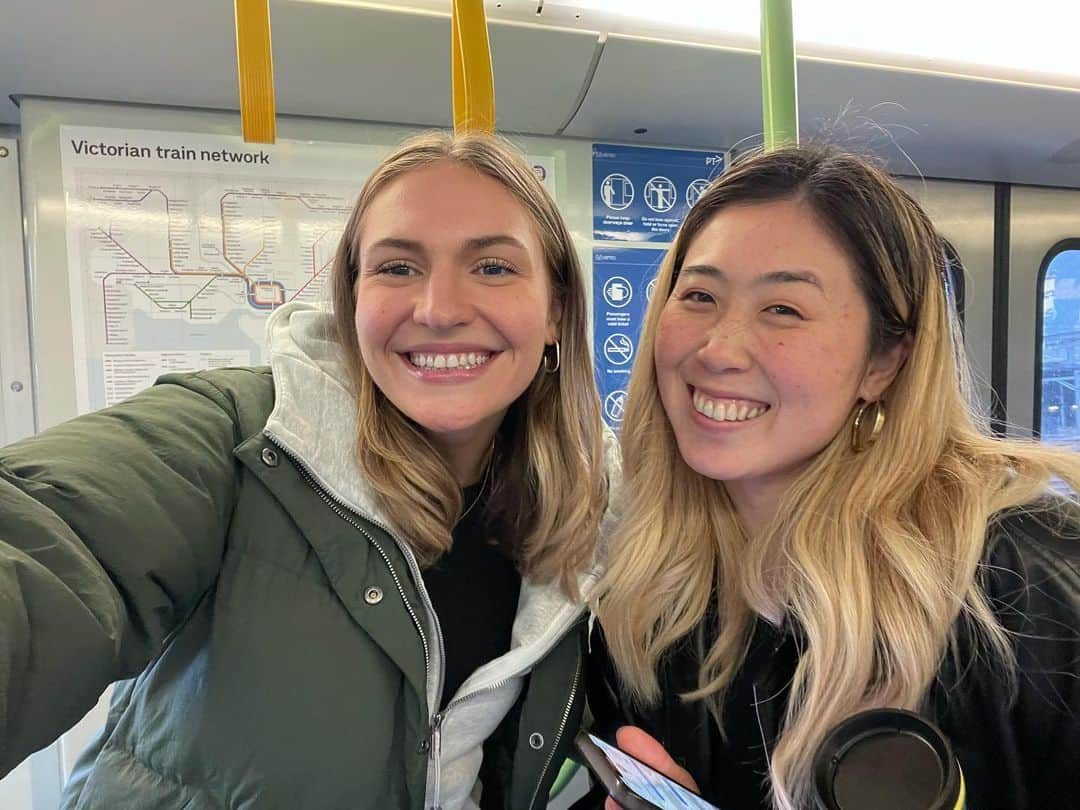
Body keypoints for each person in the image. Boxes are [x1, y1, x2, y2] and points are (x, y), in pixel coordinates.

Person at [0, 131, 614, 809]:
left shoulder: (593, 505)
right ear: (352, 301)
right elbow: (49, 545)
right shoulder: (236, 437)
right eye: (397, 268)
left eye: (493, 267)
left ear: (557, 309)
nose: (439, 309)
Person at [588, 145, 1080, 809]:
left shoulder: (1025, 582)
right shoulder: (651, 608)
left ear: (884, 361)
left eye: (783, 309)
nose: (718, 350)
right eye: (699, 295)